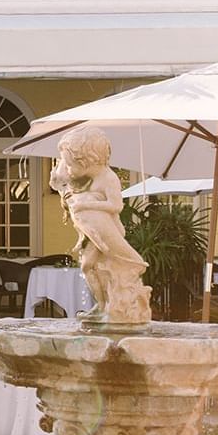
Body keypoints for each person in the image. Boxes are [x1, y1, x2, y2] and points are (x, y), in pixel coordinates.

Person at [50, 126, 150, 325]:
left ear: (86, 160)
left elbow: (116, 205)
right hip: (93, 233)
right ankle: (102, 305)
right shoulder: (87, 179)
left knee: (100, 268)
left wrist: (86, 203)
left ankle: (113, 306)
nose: (67, 168)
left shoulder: (109, 178)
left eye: (70, 164)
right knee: (88, 267)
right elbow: (69, 194)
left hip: (109, 232)